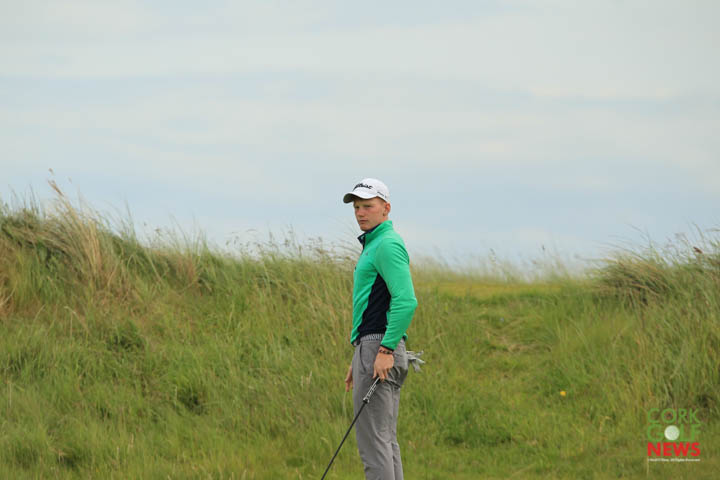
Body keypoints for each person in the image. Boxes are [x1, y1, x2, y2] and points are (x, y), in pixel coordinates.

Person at [342, 178, 418, 480]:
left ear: (386, 208)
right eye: (357, 207)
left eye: (368, 206)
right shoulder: (376, 244)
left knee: (374, 444)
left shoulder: (386, 244)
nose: (361, 213)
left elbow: (406, 301)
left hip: (379, 347)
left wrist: (383, 349)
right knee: (384, 440)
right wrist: (359, 355)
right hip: (373, 347)